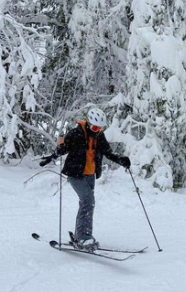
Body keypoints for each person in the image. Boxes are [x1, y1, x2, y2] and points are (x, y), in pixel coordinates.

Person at [39, 107, 131, 252]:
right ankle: (84, 237)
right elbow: (63, 148)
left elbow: (108, 152)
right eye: (95, 127)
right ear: (88, 123)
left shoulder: (99, 136)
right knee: (88, 201)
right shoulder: (76, 133)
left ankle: (80, 235)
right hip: (75, 174)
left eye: (100, 128)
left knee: (87, 204)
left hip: (90, 175)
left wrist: (120, 159)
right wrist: (51, 157)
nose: (97, 130)